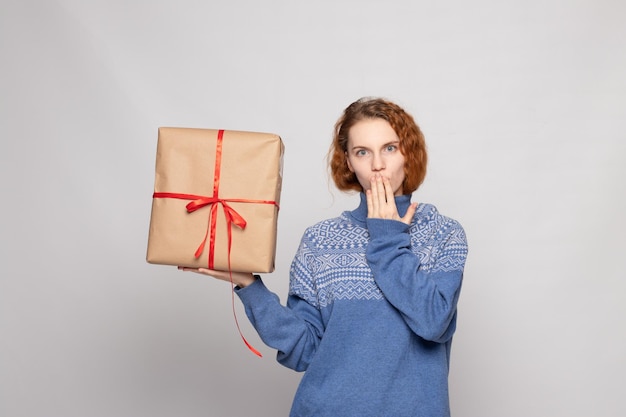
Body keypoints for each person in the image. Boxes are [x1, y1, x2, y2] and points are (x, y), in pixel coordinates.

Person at [180, 97, 468, 417]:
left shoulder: (442, 233)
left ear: (408, 153)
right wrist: (250, 287)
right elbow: (304, 351)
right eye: (362, 152)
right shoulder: (321, 240)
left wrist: (387, 237)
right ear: (348, 161)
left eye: (390, 148)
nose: (377, 164)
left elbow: (434, 322)